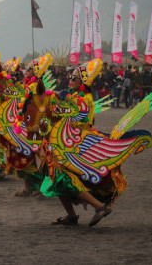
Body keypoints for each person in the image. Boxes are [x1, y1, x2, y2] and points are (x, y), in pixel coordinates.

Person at [41, 59, 115, 226]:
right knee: (57, 178)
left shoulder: (85, 98)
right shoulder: (76, 95)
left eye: (74, 78)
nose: (70, 80)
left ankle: (100, 207)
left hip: (78, 144)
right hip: (69, 140)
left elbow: (76, 116)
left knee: (63, 178)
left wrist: (60, 100)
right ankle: (72, 216)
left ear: (83, 82)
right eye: (70, 76)